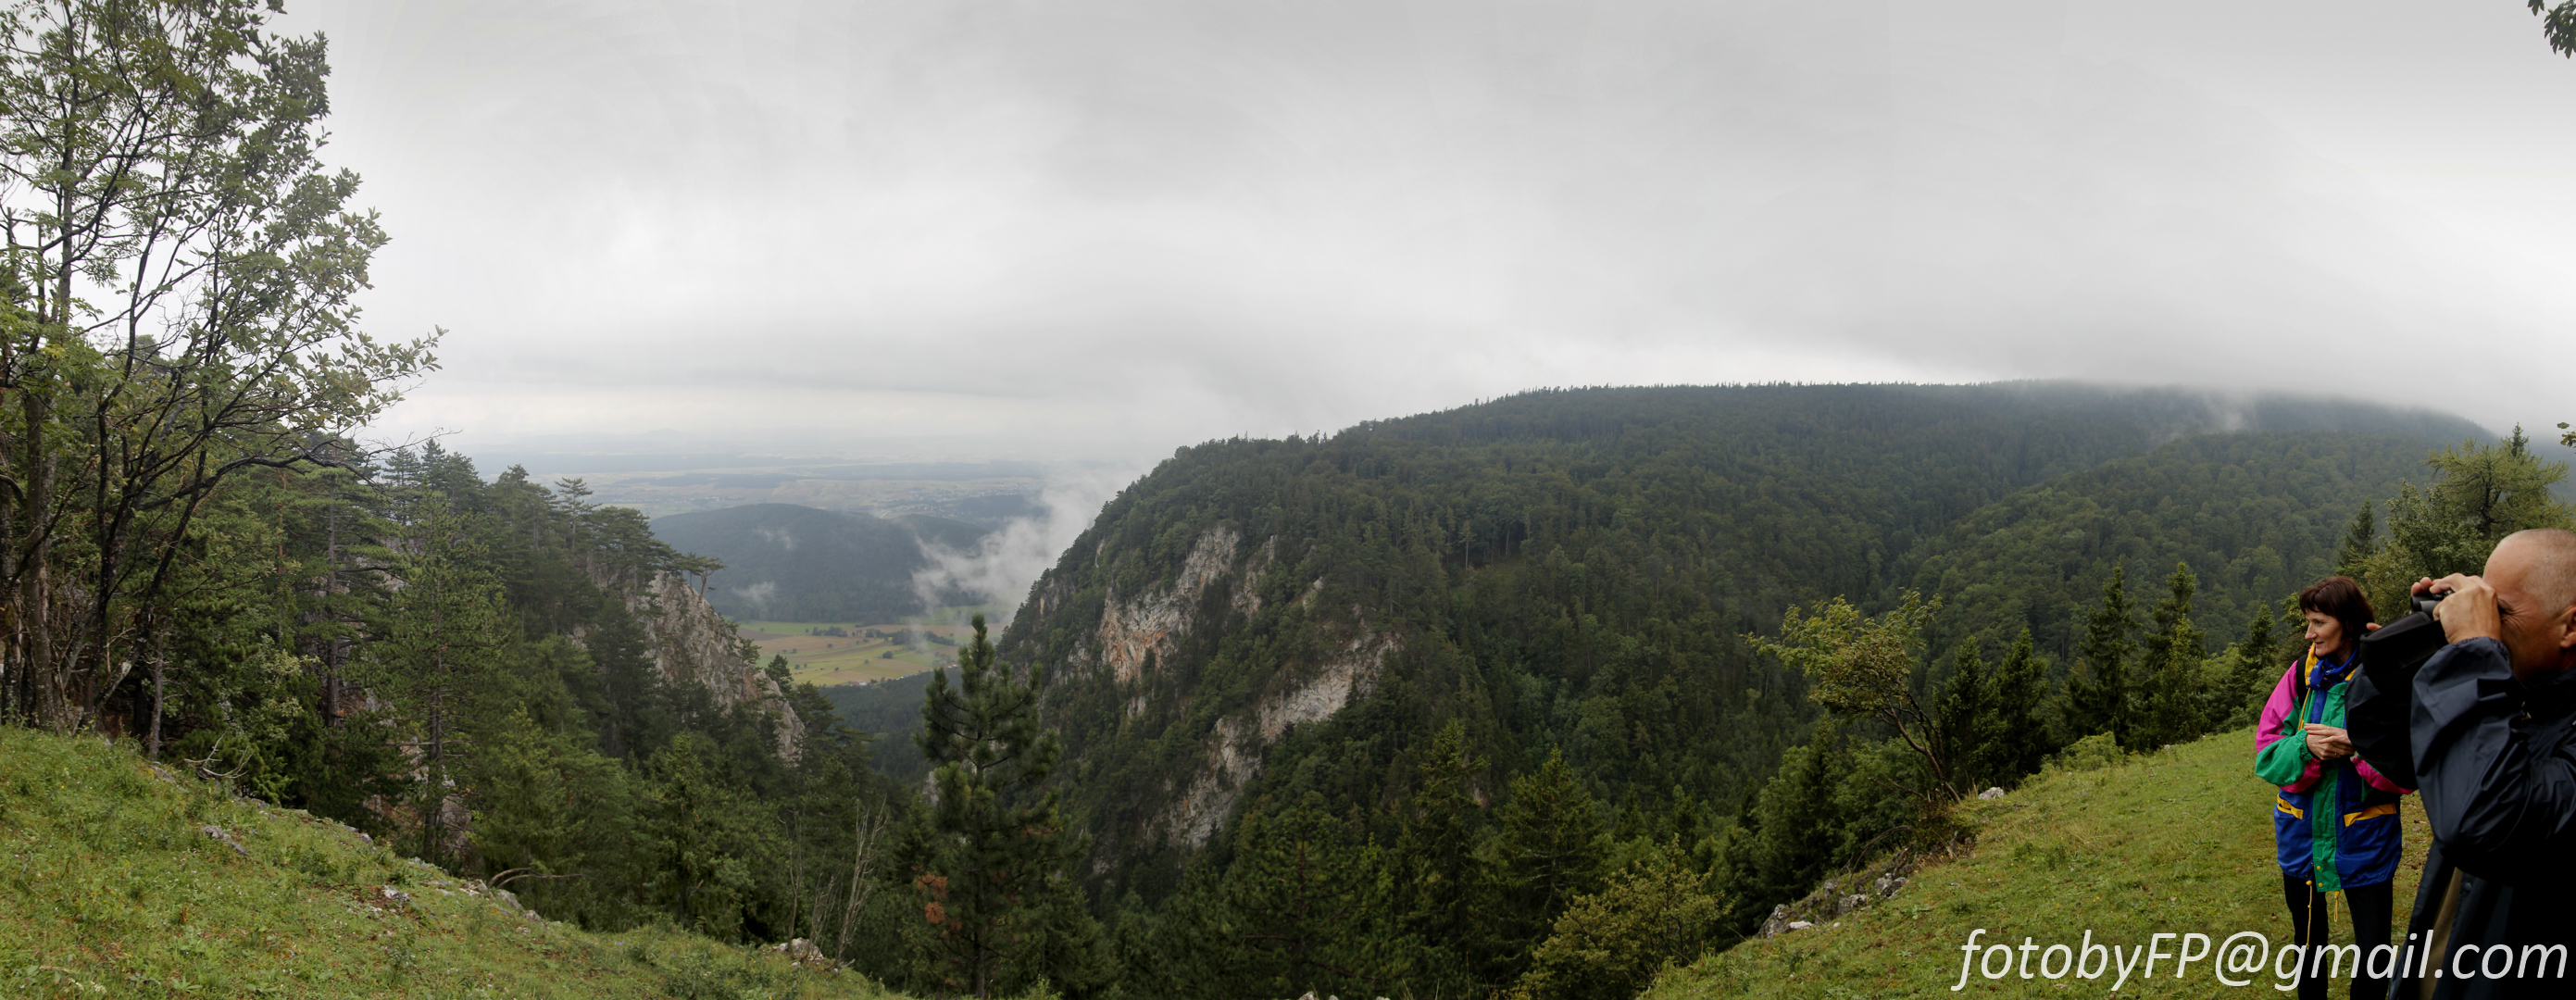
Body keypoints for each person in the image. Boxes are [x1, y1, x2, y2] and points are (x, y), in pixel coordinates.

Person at [2387, 528, 2576, 999]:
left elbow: (2484, 821)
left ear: (2571, 627)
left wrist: (2473, 654)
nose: (2487, 622)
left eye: (2500, 610)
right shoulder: (2511, 695)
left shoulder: (2499, 693)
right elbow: (2389, 750)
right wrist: (2423, 645)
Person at [2257, 575, 2408, 1000]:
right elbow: (2267, 753)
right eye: (2308, 622)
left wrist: (2357, 747)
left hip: (2365, 838)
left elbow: (2407, 765)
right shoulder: (2300, 677)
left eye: (2318, 622)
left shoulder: (2384, 677)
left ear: (2348, 623)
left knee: (2374, 953)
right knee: (2307, 946)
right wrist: (2305, 746)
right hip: (2301, 837)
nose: (2309, 633)